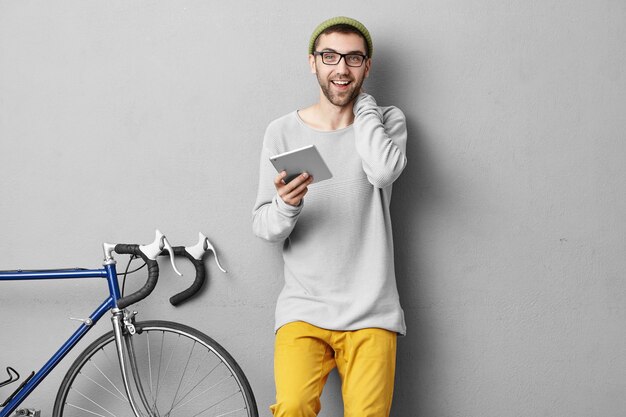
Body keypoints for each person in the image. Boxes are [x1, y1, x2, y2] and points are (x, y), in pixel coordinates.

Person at [252, 16, 408, 417]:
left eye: (354, 58)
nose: (341, 68)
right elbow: (264, 227)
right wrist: (287, 205)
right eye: (330, 56)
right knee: (292, 407)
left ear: (367, 67)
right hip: (304, 308)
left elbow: (384, 171)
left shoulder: (387, 122)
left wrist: (365, 106)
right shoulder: (282, 131)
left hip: (372, 309)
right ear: (313, 62)